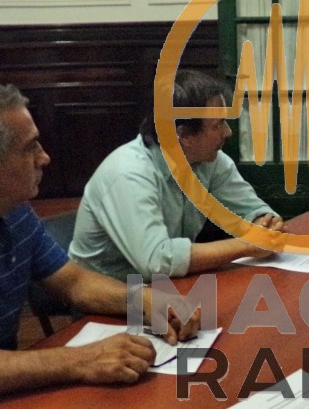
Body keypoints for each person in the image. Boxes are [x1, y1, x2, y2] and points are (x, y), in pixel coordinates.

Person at [0, 83, 199, 394]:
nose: (44, 158)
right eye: (30, 147)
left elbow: (73, 282)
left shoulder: (16, 213)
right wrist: (80, 359)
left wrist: (144, 300)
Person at [69, 70, 283, 282]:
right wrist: (247, 246)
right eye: (217, 125)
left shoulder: (210, 161)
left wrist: (266, 223)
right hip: (106, 293)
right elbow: (156, 261)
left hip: (166, 285)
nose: (228, 132)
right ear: (184, 135)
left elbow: (250, 209)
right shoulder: (128, 174)